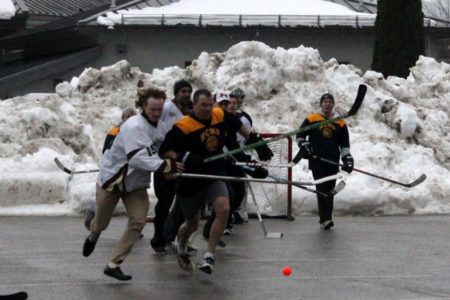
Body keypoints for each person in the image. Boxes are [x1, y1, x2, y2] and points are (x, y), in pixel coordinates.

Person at [159, 88, 273, 274]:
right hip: (192, 179)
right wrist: (181, 157)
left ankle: (209, 255)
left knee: (224, 208)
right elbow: (165, 149)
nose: (207, 109)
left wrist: (253, 139)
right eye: (202, 105)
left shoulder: (218, 115)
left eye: (209, 105)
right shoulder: (183, 125)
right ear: (194, 105)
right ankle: (181, 240)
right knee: (193, 223)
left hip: (213, 174)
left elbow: (237, 124)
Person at [82, 87, 184, 281]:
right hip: (114, 179)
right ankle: (93, 232)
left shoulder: (161, 127)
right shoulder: (133, 126)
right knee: (102, 224)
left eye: (159, 110)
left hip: (136, 183)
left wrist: (169, 160)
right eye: (152, 109)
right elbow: (137, 158)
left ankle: (114, 264)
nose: (156, 114)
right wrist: (164, 165)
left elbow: (159, 152)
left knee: (138, 221)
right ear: (143, 106)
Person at [296, 92, 354, 230]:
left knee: (330, 190)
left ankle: (327, 217)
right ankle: (325, 218)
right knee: (321, 189)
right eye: (325, 102)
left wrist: (347, 158)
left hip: (332, 161)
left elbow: (345, 144)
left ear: (333, 105)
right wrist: (304, 145)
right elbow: (300, 136)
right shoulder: (312, 119)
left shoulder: (340, 122)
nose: (327, 104)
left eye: (330, 102)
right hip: (317, 160)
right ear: (321, 104)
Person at [150, 79, 193, 254]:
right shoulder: (167, 109)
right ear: (176, 93)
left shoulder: (192, 110)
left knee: (185, 203)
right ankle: (159, 238)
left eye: (188, 91)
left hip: (184, 161)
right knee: (164, 202)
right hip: (166, 160)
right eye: (183, 91)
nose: (186, 94)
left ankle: (177, 238)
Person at [84, 107, 137, 230]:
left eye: (132, 118)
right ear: (123, 118)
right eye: (127, 117)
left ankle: (134, 226)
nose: (129, 120)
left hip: (129, 173)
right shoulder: (115, 132)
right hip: (114, 173)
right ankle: (93, 212)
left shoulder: (135, 132)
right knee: (105, 200)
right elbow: (107, 151)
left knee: (132, 201)